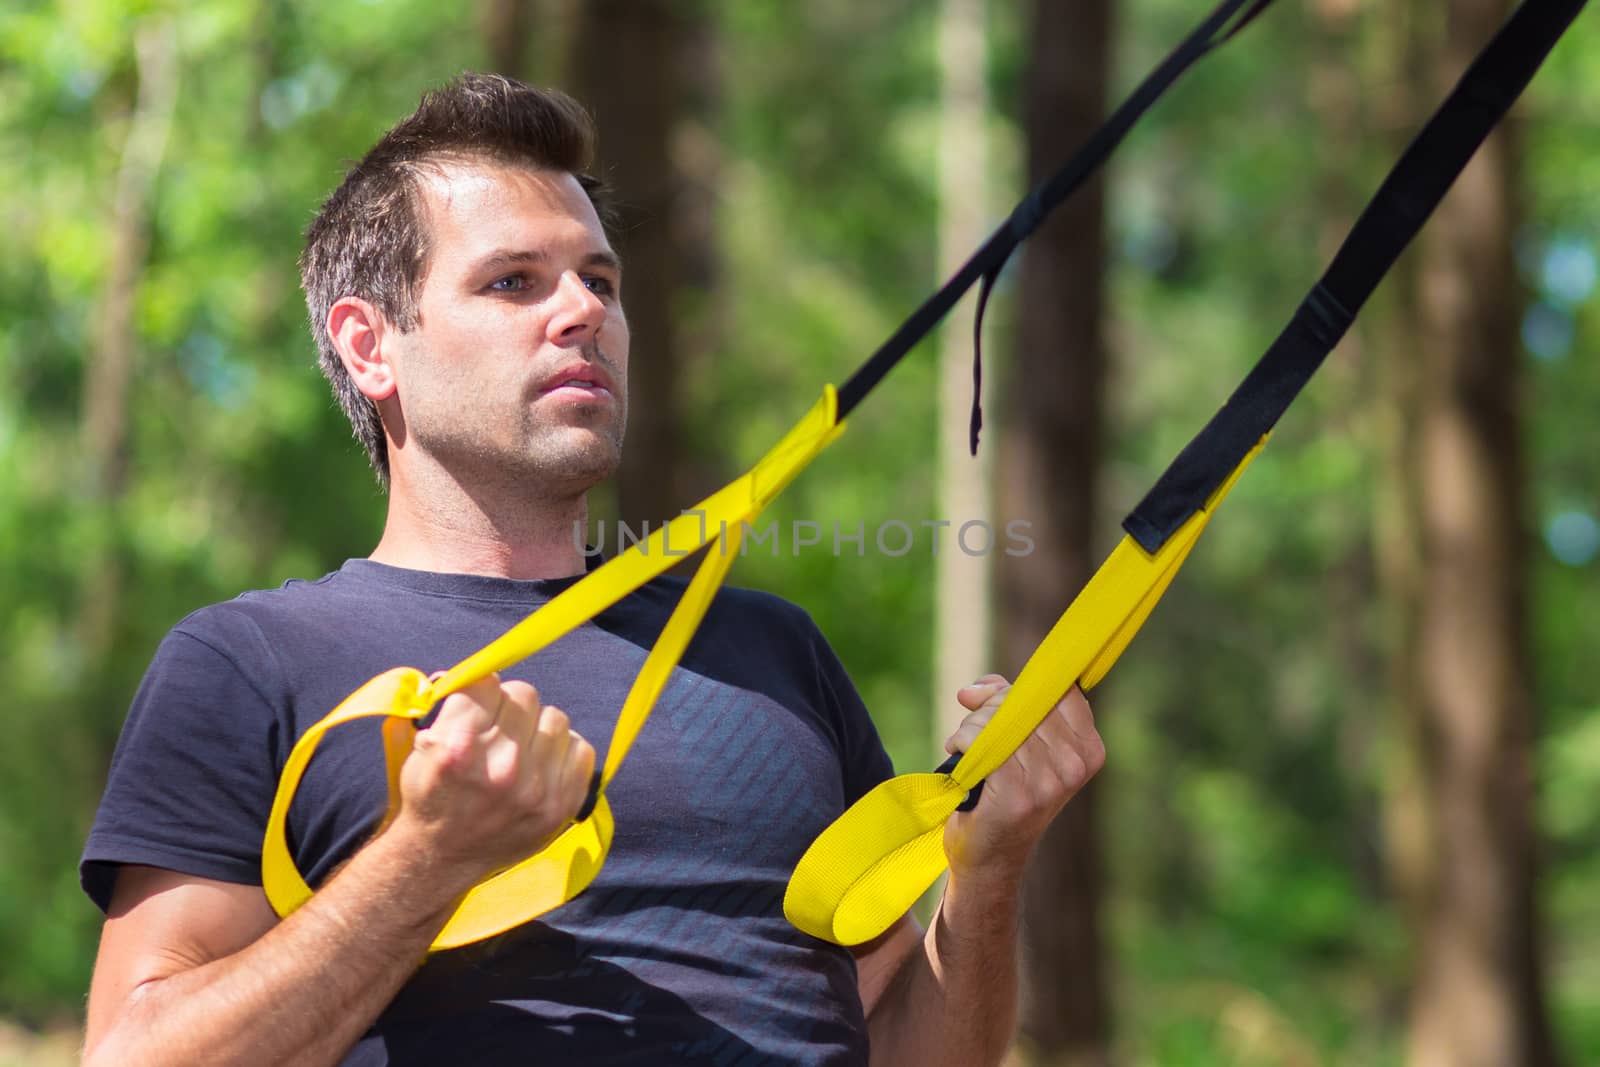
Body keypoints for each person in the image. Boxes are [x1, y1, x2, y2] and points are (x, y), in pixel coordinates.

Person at [79, 72, 1105, 1067]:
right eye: (513, 280)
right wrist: (423, 858)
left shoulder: (769, 650)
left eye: (599, 280)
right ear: (370, 344)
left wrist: (989, 871)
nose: (582, 310)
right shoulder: (253, 660)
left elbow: (902, 1045)